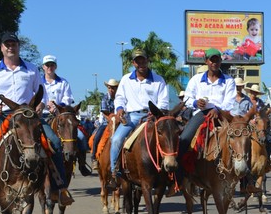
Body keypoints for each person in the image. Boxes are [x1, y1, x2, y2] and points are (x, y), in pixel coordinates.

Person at [0, 32, 74, 207]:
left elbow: (41, 93)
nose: (10, 47)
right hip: (4, 116)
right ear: (1, 48)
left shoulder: (31, 69)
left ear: (18, 46)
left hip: (28, 117)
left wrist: (41, 106)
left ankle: (58, 189)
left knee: (55, 142)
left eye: (13, 44)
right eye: (7, 44)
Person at [107, 48, 169, 190]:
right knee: (116, 139)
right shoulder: (126, 79)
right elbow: (120, 98)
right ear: (133, 63)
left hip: (152, 117)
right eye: (137, 60)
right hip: (132, 117)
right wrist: (120, 109)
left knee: (170, 138)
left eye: (143, 59)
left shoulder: (158, 80)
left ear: (147, 60)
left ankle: (171, 175)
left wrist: (155, 113)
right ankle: (114, 172)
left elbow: (163, 102)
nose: (141, 63)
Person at [179, 48, 236, 161]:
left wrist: (217, 109)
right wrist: (196, 102)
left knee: (240, 138)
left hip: (222, 115)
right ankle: (179, 171)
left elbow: (230, 102)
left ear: (221, 61)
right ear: (206, 61)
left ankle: (245, 176)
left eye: (217, 60)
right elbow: (187, 98)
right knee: (184, 139)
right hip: (201, 114)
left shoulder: (229, 80)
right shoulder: (196, 79)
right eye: (212, 60)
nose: (214, 63)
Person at [41, 54, 91, 176]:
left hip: (61, 115)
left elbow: (68, 98)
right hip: (42, 115)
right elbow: (35, 96)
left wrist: (59, 106)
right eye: (47, 65)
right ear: (43, 67)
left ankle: (82, 163)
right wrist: (45, 104)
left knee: (81, 137)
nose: (50, 67)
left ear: (55, 66)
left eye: (52, 65)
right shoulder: (38, 82)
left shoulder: (63, 82)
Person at [91, 78, 119, 170]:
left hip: (118, 122)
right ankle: (94, 158)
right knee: (96, 137)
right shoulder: (105, 98)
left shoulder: (119, 98)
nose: (112, 90)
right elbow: (105, 112)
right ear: (107, 88)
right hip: (106, 122)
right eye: (110, 88)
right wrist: (111, 120)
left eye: (114, 88)